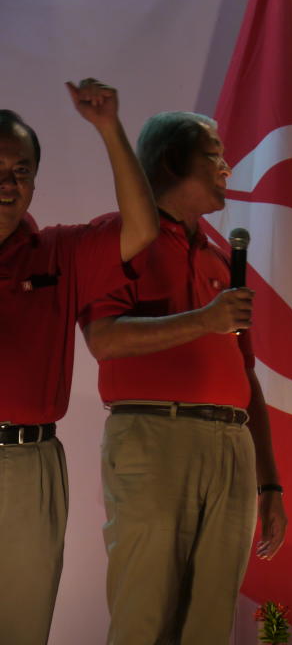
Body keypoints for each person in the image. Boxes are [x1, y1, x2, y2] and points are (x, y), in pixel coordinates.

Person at [79, 111, 287, 644]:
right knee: (144, 614)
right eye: (213, 153)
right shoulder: (123, 238)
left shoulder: (220, 257)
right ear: (173, 160)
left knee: (210, 622)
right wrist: (203, 320)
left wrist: (269, 479)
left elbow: (247, 374)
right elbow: (104, 339)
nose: (226, 166)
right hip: (155, 436)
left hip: (230, 444)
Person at [0, 80, 157, 644]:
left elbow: (141, 229)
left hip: (27, 461)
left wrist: (109, 128)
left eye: (21, 170)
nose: (8, 184)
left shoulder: (59, 252)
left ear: (35, 180)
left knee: (20, 624)